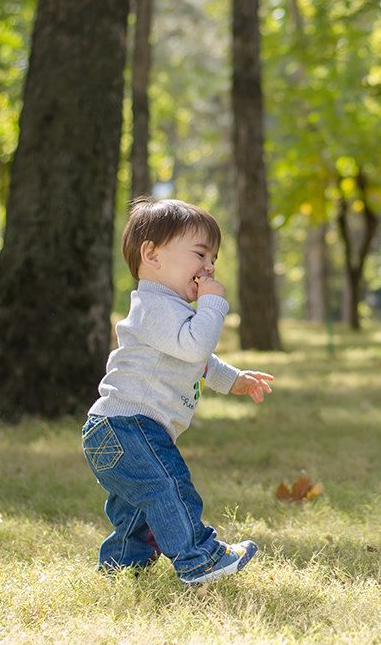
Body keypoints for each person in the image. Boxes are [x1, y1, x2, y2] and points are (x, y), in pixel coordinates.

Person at [82, 198, 274, 585]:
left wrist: (234, 379)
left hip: (113, 431)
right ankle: (199, 558)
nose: (209, 266)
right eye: (200, 253)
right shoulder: (156, 306)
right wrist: (214, 305)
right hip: (130, 426)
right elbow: (195, 347)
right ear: (151, 254)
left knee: (139, 506)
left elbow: (199, 361)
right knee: (169, 487)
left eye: (213, 258)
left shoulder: (171, 311)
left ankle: (122, 565)